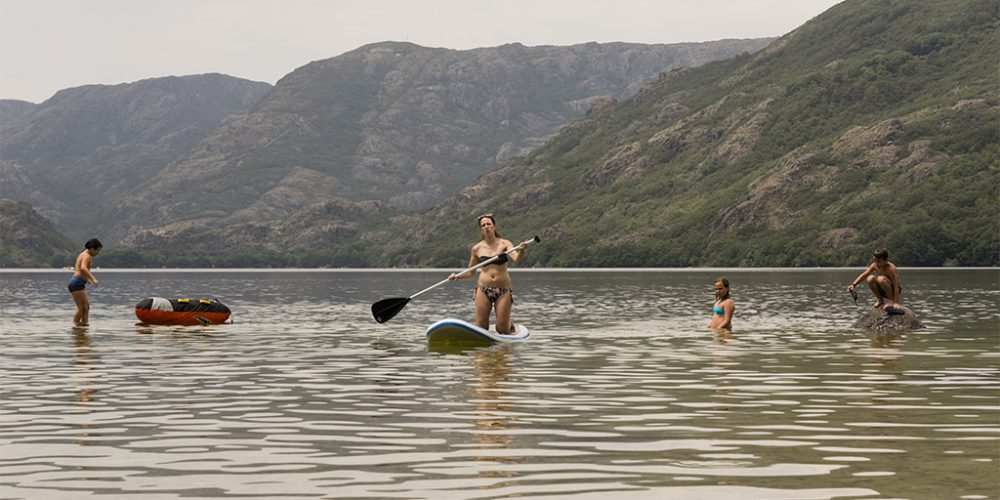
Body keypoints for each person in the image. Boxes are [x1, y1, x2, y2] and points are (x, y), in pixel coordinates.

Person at [447, 214, 531, 334]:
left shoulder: (505, 244)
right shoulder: (477, 248)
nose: (486, 227)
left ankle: (508, 323)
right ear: (481, 229)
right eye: (483, 225)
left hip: (503, 290)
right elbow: (470, 272)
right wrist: (457, 276)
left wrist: (521, 250)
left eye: (489, 224)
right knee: (481, 327)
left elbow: (517, 259)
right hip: (483, 289)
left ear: (494, 227)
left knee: (502, 329)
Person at [847, 247, 902, 313]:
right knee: (870, 278)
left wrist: (896, 302)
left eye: (878, 261)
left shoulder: (891, 269)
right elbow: (864, 274)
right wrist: (853, 284)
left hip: (893, 290)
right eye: (875, 260)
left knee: (881, 279)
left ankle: (891, 301)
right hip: (883, 289)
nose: (876, 263)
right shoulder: (875, 265)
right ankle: (880, 300)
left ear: (886, 260)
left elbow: (896, 286)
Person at [68, 238, 102, 326]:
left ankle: (84, 327)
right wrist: (93, 278)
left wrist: (87, 279)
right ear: (92, 248)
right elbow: (83, 267)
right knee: (81, 308)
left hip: (79, 282)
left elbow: (79, 268)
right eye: (97, 250)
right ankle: (75, 327)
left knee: (86, 307)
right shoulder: (86, 255)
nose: (98, 253)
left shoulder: (83, 254)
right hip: (76, 283)